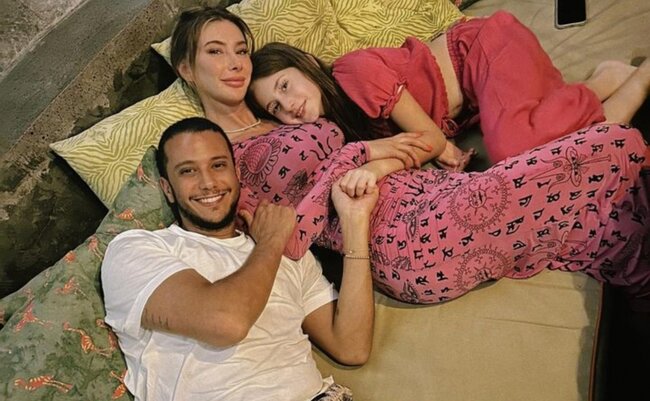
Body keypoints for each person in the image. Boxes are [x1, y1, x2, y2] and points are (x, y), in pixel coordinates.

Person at [169, 5, 650, 307]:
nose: (234, 63)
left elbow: (407, 147)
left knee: (609, 224)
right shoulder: (220, 157)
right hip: (408, 239)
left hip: (437, 194)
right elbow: (287, 241)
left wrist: (380, 160)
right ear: (186, 69)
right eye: (216, 52)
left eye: (240, 50)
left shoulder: (287, 118)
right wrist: (362, 153)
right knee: (612, 148)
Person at [101, 117, 378, 400]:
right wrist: (270, 242)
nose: (208, 183)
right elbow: (226, 323)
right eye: (188, 171)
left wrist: (355, 220)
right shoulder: (135, 250)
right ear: (168, 188)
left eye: (218, 165)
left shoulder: (287, 253)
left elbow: (351, 346)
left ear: (236, 174)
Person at [247, 12, 650, 167]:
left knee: (514, 151)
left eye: (285, 86)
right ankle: (601, 82)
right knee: (532, 145)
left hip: (484, 48)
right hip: (481, 92)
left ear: (307, 64)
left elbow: (432, 139)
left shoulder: (352, 73)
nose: (290, 106)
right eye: (275, 107)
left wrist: (439, 154)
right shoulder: (339, 125)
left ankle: (638, 79)